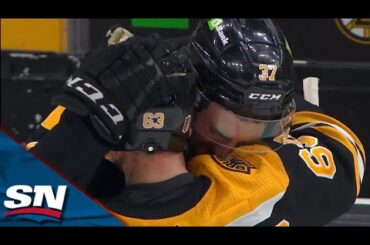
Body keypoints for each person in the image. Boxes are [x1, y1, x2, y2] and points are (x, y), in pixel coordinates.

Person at [28, 19, 366, 226]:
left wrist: (83, 127)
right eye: (225, 128)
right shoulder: (264, 184)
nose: (234, 145)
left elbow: (23, 198)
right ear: (193, 97)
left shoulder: (254, 183)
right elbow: (335, 139)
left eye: (262, 130)